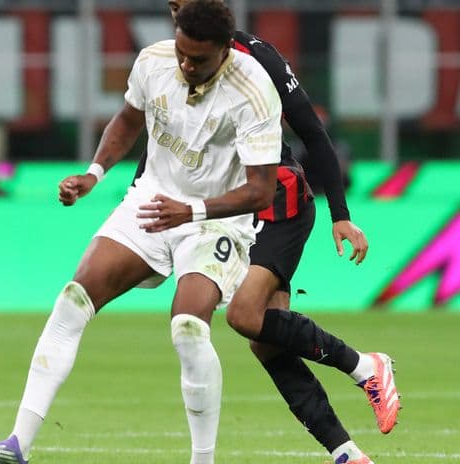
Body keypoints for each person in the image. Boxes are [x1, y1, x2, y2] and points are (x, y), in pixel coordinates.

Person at [0, 2, 282, 463]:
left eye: (199, 60)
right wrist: (94, 175)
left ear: (224, 52)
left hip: (215, 219)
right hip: (153, 200)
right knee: (74, 298)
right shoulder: (154, 61)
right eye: (182, 54)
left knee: (188, 328)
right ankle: (17, 445)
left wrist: (188, 211)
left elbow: (261, 191)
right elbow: (129, 120)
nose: (187, 65)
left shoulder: (252, 90)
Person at [162, 2, 400, 463]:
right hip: (230, 209)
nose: (174, 10)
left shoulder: (256, 57)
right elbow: (163, 134)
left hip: (278, 201)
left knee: (243, 316)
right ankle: (346, 453)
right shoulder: (175, 61)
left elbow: (313, 132)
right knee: (266, 342)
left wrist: (341, 214)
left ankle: (365, 366)